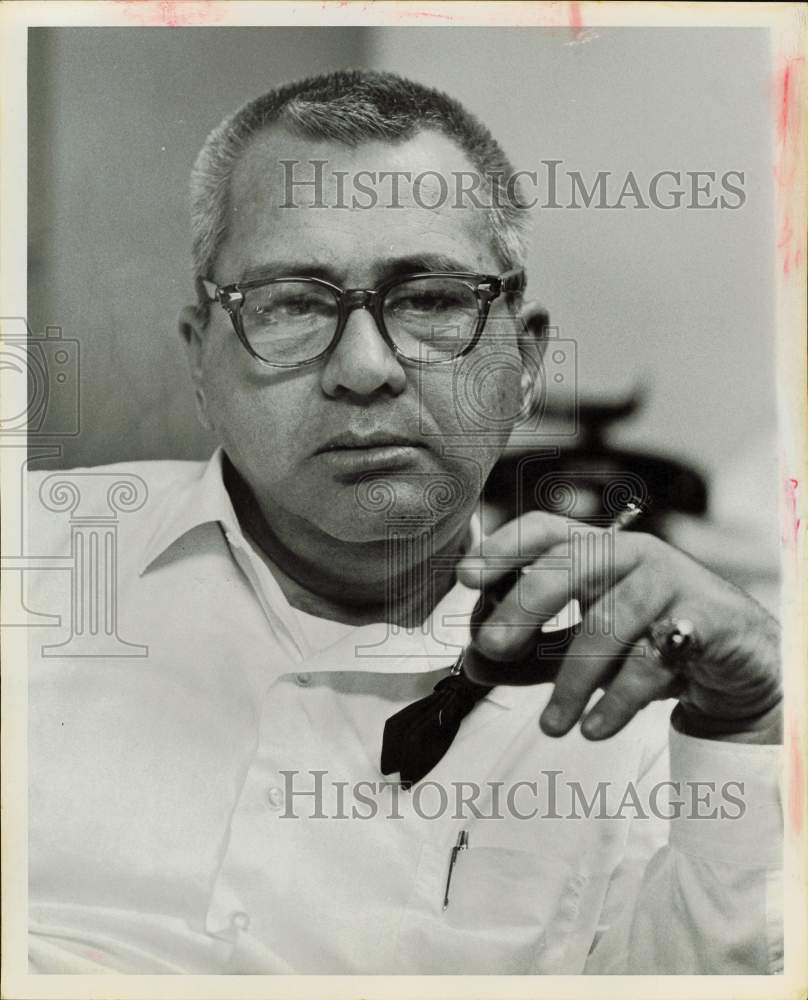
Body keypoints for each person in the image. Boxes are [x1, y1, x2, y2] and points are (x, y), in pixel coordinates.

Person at [27, 70, 782, 975]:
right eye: (293, 303)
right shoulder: (31, 558)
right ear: (201, 362)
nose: (363, 367)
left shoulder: (653, 698)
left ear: (527, 360)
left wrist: (746, 733)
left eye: (430, 300)